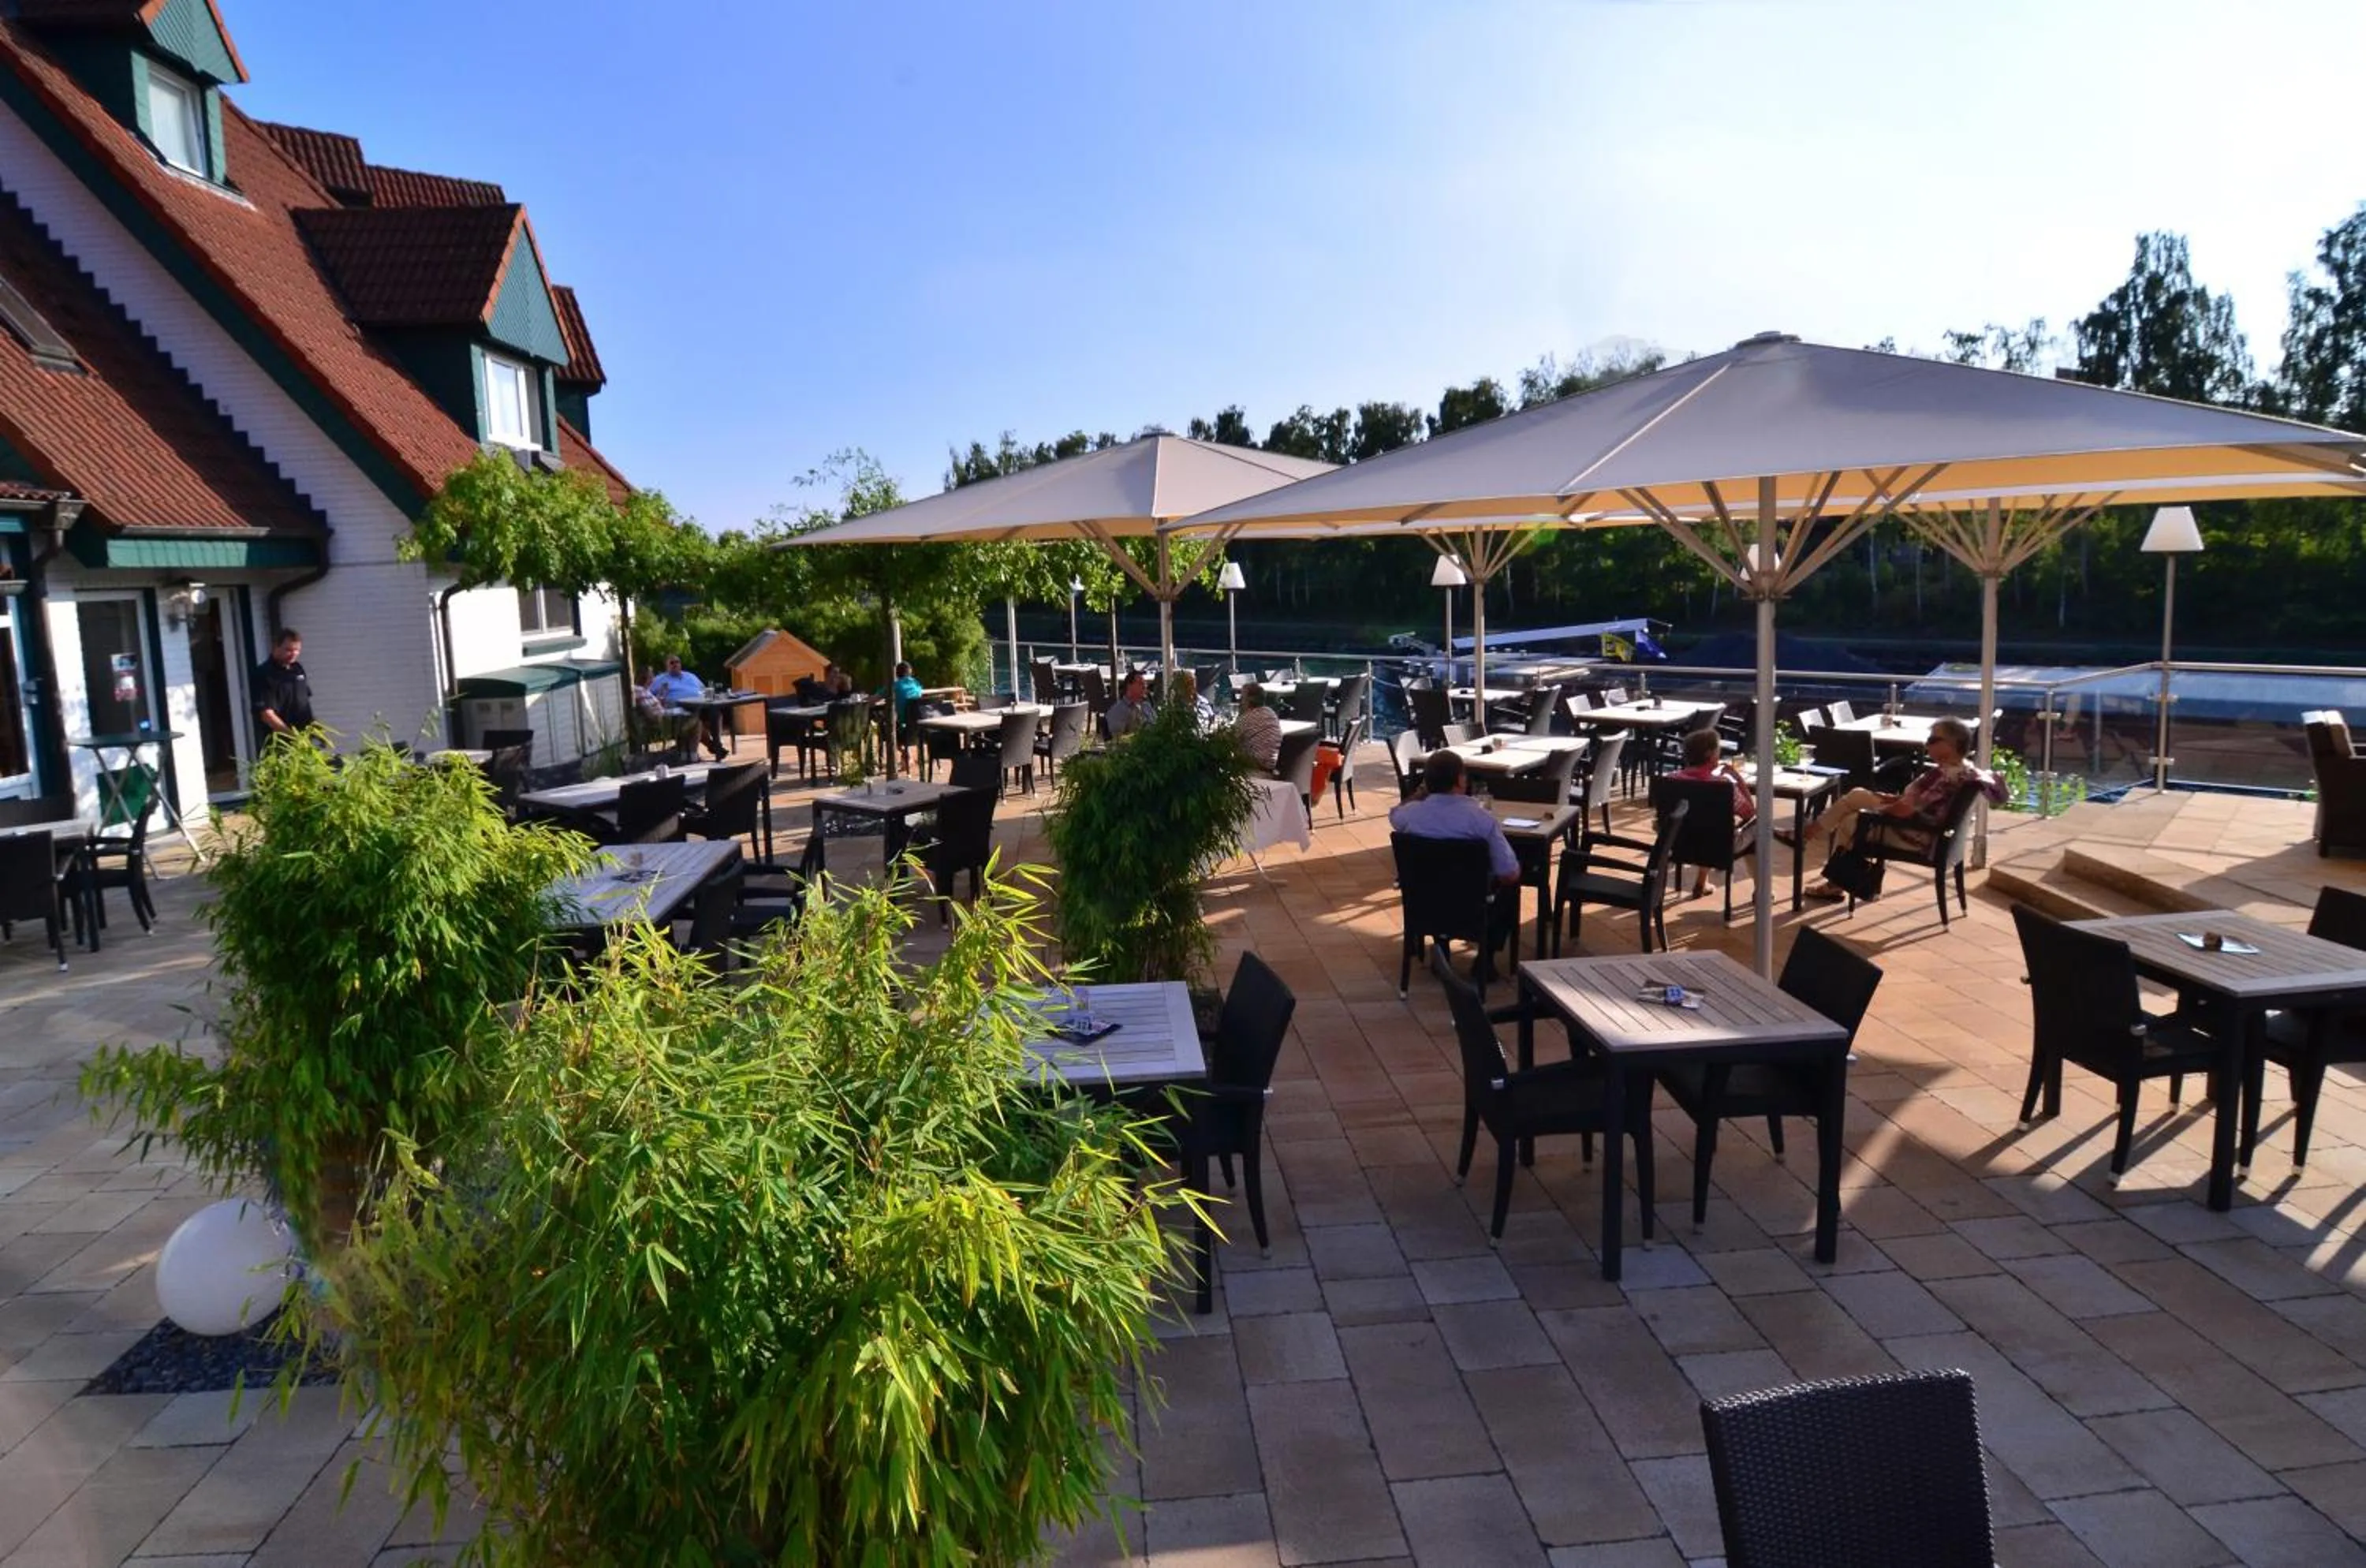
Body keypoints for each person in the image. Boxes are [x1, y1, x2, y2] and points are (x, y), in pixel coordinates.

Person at [1792, 716, 2003, 901]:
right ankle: (1811, 841)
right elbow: (1920, 805)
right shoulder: (1964, 771)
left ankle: (1830, 874)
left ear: (1951, 744)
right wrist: (1892, 800)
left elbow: (1906, 812)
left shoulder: (1945, 778)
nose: (1927, 744)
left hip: (1916, 837)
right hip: (1926, 832)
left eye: (1932, 740)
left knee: (1851, 820)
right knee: (1857, 795)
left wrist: (1878, 812)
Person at [1390, 749, 1523, 980]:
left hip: (1425, 905)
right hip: (1471, 906)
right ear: (1461, 780)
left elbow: (1394, 814)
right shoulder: (1481, 820)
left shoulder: (1410, 816)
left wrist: (1420, 793)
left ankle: (1441, 951)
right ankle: (1485, 959)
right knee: (1510, 889)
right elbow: (1509, 874)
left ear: (1427, 782)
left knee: (1438, 880)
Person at [1666, 726, 1754, 898]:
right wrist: (1737, 778)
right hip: (1718, 847)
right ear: (1709, 754)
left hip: (1677, 844)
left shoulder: (1671, 780)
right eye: (1718, 750)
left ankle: (1701, 882)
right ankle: (1761, 892)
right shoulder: (1722, 786)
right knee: (1759, 829)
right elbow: (1750, 813)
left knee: (1705, 825)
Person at [646, 653, 726, 760]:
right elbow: (649, 694)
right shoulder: (660, 679)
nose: (675, 665)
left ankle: (717, 744)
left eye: (677, 662)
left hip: (700, 704)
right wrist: (661, 698)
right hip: (680, 708)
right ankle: (715, 747)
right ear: (667, 666)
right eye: (672, 663)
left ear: (681, 664)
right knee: (696, 719)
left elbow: (704, 690)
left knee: (716, 713)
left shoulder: (690, 676)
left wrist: (712, 695)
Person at [252, 627, 315, 748]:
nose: (294, 654)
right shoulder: (264, 674)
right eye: (289, 650)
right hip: (279, 743)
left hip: (305, 740)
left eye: (297, 650)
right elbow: (267, 715)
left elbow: (304, 704)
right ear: (276, 647)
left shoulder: (297, 669)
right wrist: (292, 738)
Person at [1233, 683, 1282, 770]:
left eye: (1242, 697)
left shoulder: (1246, 718)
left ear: (1249, 700)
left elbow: (1228, 741)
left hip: (1258, 766)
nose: (1239, 700)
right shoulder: (1270, 712)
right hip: (1275, 764)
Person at [1104, 671, 1155, 739]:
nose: (1144, 686)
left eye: (1145, 683)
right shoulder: (1119, 710)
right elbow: (1116, 740)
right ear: (1129, 686)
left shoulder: (1146, 706)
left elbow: (1157, 725)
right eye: (1140, 683)